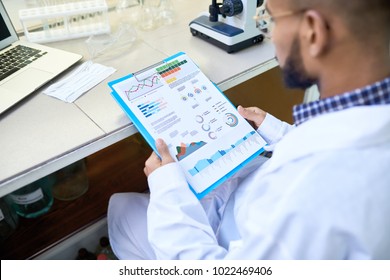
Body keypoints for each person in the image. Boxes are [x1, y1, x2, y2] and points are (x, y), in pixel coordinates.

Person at [108, 0, 390, 259]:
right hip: (246, 200)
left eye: (272, 20)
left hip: (231, 238)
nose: (271, 35)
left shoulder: (310, 192)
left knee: (120, 212)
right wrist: (277, 131)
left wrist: (166, 189)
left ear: (314, 32)